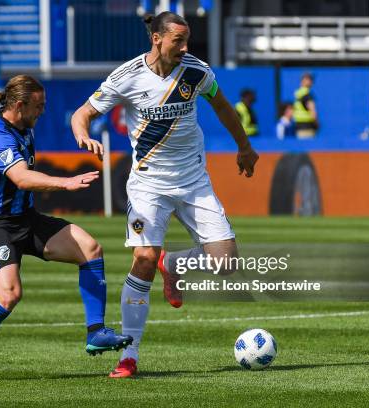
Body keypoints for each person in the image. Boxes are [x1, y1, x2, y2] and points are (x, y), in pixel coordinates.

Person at [70, 12, 258, 378]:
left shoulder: (197, 71)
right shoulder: (127, 76)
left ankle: (173, 264)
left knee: (227, 263)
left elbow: (222, 106)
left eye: (187, 40)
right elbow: (83, 112)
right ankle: (129, 355)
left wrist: (244, 147)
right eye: (178, 41)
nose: (186, 47)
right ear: (157, 38)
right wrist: (82, 133)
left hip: (193, 181)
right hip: (148, 185)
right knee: (143, 257)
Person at [0, 75, 132, 382]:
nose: (43, 110)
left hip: (26, 218)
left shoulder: (18, 127)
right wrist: (65, 182)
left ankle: (96, 332)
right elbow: (21, 177)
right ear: (20, 105)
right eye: (39, 105)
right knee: (9, 295)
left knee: (90, 248)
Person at [293, 72, 318, 139]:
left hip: (299, 127)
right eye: (310, 79)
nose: (312, 82)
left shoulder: (298, 94)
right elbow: (313, 112)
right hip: (307, 128)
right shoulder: (307, 95)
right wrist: (316, 123)